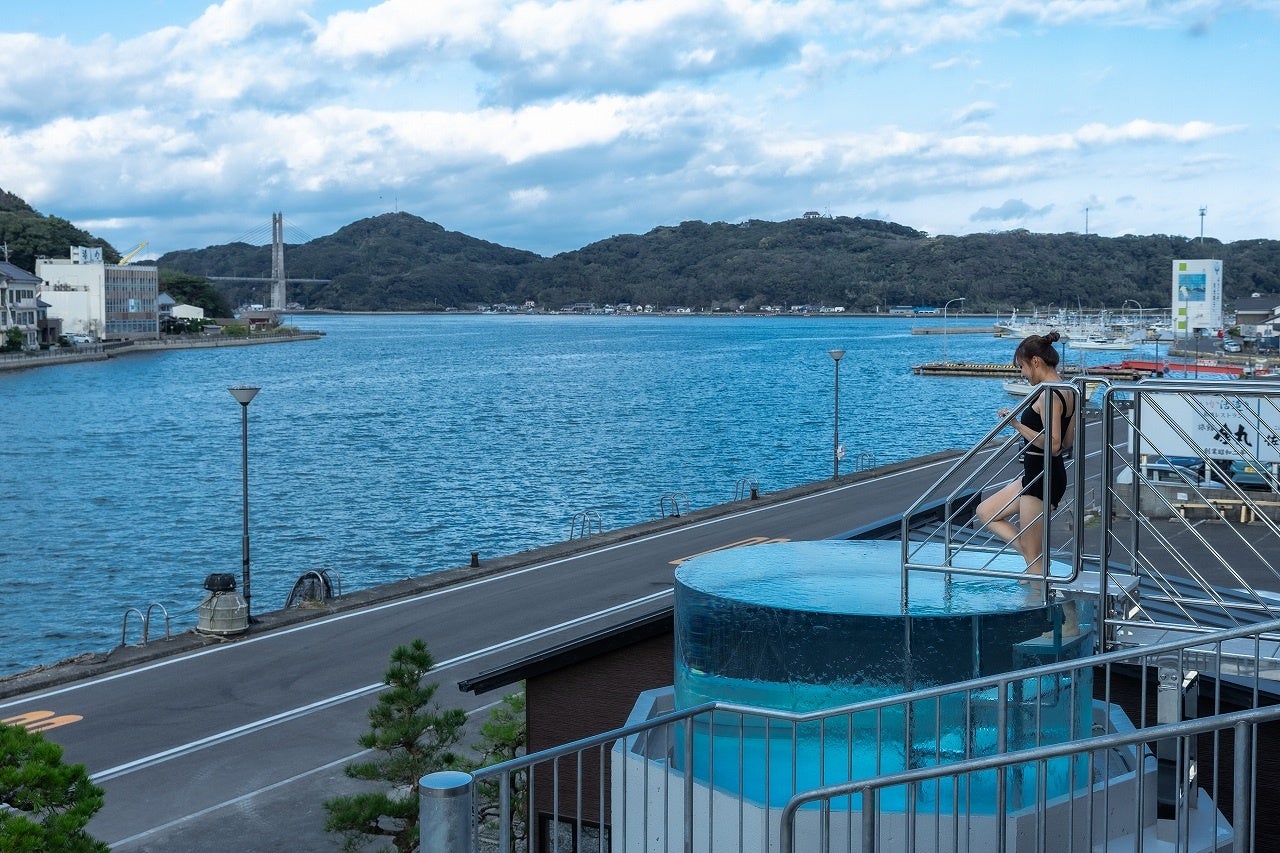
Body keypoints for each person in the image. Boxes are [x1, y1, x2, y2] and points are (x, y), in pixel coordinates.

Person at [976, 331, 1076, 576]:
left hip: (1042, 477)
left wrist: (1016, 424)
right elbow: (1068, 441)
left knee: (1033, 561)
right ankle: (1038, 562)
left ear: (1035, 362)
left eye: (1022, 366)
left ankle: (1039, 581)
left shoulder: (1048, 393)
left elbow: (1054, 444)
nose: (1022, 373)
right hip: (1039, 474)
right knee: (986, 512)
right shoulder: (1069, 390)